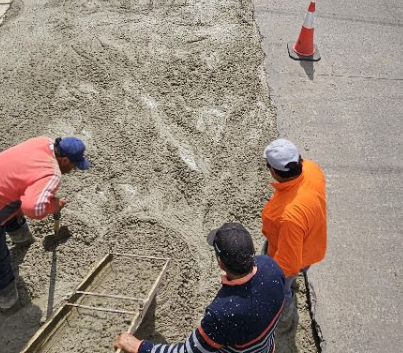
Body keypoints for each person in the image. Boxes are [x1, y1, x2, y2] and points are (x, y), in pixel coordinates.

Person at [0, 136, 92, 311]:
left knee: (16, 195)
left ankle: (22, 240)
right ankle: (7, 302)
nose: (73, 170)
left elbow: (25, 179)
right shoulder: (52, 174)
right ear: (64, 160)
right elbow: (33, 208)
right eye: (73, 166)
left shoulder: (42, 142)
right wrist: (54, 205)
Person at [113, 222, 286, 353]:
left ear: (220, 261)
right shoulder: (272, 267)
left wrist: (139, 346)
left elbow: (187, 352)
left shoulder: (222, 314)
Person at [260, 138, 327, 334]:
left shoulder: (288, 216)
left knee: (281, 290)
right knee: (298, 269)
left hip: (291, 251)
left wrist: (268, 278)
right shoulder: (312, 169)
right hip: (312, 240)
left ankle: (283, 322)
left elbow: (287, 264)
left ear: (274, 171)